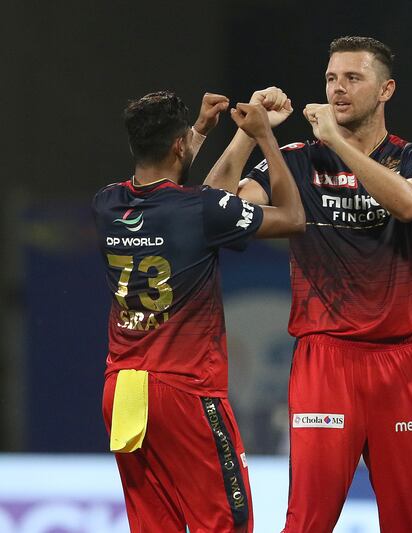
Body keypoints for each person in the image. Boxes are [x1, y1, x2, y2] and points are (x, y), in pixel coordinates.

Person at [205, 36, 412, 533]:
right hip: (325, 359)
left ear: (386, 90)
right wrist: (252, 134)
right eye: (331, 78)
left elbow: (410, 205)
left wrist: (334, 140)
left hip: (400, 363)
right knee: (309, 519)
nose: (337, 89)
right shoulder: (296, 159)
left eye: (353, 78)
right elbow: (211, 207)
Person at [92, 90, 304, 532]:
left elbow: (195, 200)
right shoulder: (199, 210)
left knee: (156, 524)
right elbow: (291, 217)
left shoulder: (107, 204)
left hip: (124, 391)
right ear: (178, 146)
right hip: (185, 391)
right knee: (227, 522)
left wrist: (205, 132)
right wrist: (263, 137)